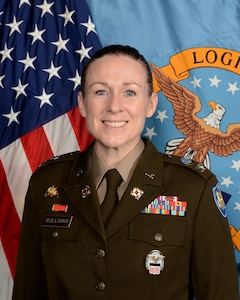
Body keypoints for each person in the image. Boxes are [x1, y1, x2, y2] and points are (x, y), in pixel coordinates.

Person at [12, 45, 239, 300]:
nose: (114, 106)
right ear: (83, 104)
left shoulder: (194, 188)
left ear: (151, 104)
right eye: (101, 92)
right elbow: (27, 291)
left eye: (129, 92)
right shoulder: (48, 184)